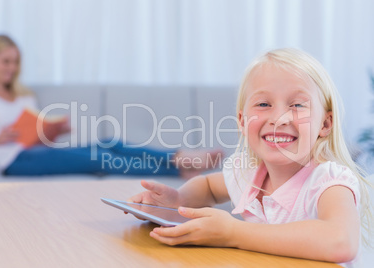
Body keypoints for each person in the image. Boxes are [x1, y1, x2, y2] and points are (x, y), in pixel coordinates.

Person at [128, 48, 373, 266]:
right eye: (264, 104)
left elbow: (341, 242)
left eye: (298, 105)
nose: (279, 118)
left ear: (325, 124)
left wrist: (233, 233)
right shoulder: (248, 173)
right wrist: (179, 199)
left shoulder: (329, 181)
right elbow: (209, 188)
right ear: (243, 122)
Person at [0, 34, 221, 177]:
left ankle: (181, 157)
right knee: (100, 158)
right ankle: (178, 172)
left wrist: (52, 130)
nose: (12, 68)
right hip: (12, 161)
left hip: (34, 151)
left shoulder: (22, 95)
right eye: (6, 61)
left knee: (111, 142)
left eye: (15, 62)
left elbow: (35, 136)